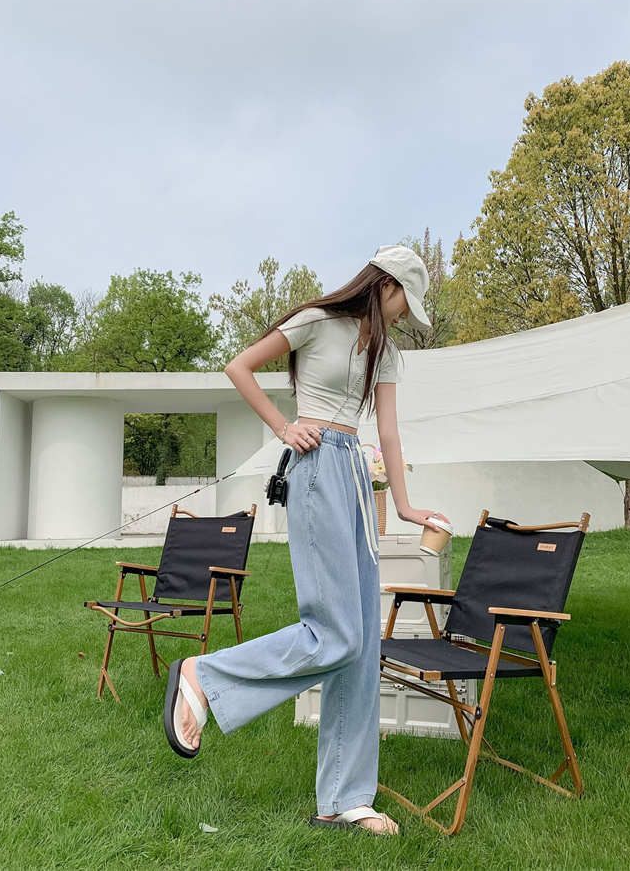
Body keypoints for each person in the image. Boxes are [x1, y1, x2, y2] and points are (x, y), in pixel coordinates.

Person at [162, 245, 451, 836]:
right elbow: (239, 367)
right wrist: (284, 427)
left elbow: (389, 435)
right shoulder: (317, 321)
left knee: (360, 643)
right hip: (316, 466)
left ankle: (343, 800)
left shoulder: (386, 352)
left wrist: (402, 504)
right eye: (404, 302)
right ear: (387, 285)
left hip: (356, 477)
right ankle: (203, 677)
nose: (403, 315)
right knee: (334, 631)